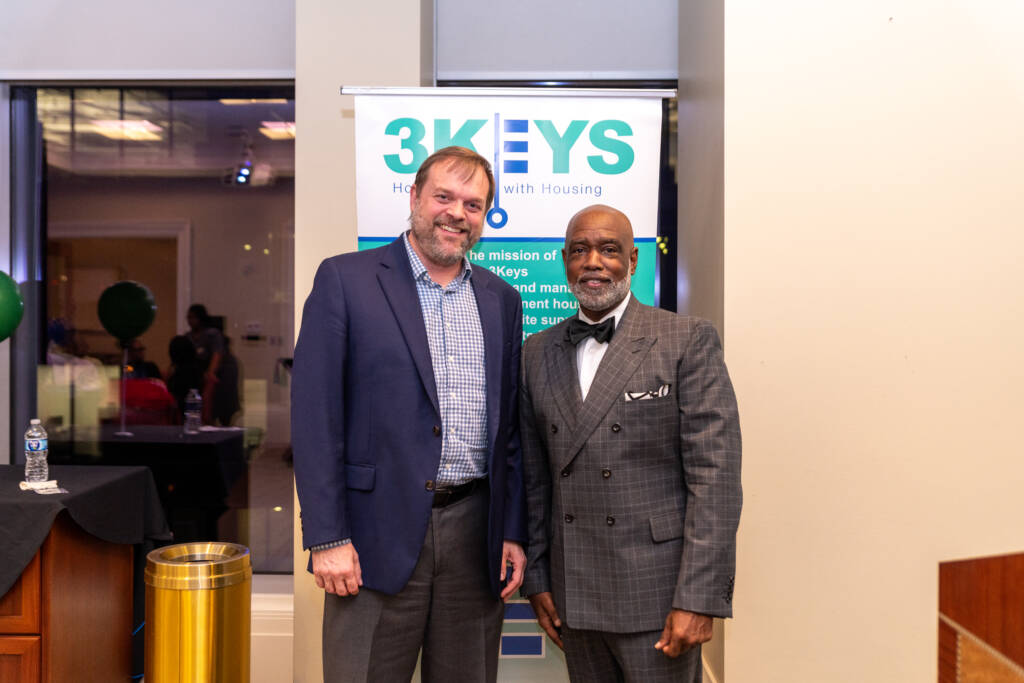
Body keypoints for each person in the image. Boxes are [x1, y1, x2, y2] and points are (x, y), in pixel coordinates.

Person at [291, 146, 527, 682]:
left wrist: (511, 530)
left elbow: (508, 431)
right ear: (415, 196)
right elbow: (315, 419)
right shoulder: (346, 280)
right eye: (444, 196)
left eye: (473, 204)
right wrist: (327, 537)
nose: (457, 213)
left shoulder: (500, 300)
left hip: (475, 537)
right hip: (371, 540)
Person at [520, 204, 742, 682]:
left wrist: (698, 597)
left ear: (634, 260)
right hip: (573, 593)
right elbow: (534, 480)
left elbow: (715, 480)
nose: (593, 261)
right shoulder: (536, 352)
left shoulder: (685, 339)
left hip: (658, 596)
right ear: (565, 261)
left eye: (608, 249)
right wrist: (537, 578)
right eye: (579, 250)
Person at [186, 303, 224, 423]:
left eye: (193, 317)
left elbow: (217, 354)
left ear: (201, 318)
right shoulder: (187, 336)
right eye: (188, 317)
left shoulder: (212, 334)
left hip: (210, 375)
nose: (190, 321)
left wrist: (210, 373)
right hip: (193, 375)